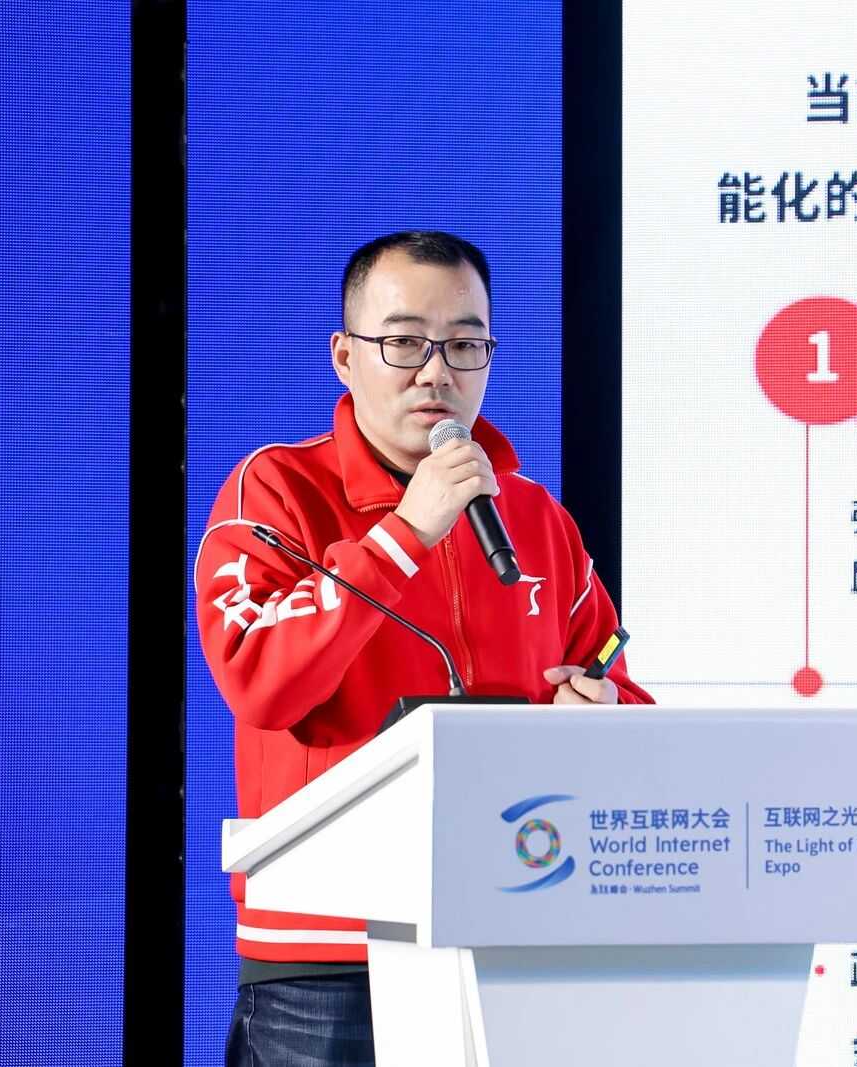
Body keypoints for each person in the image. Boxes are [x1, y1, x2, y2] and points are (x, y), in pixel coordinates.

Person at [194, 230, 653, 1066]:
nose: (436, 372)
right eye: (404, 342)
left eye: (465, 345)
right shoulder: (276, 489)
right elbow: (259, 680)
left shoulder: (536, 518)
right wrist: (406, 533)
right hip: (330, 960)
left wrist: (607, 708)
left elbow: (619, 685)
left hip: (514, 934)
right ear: (345, 356)